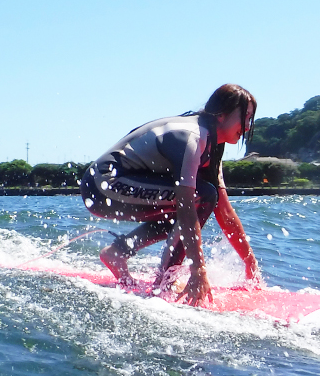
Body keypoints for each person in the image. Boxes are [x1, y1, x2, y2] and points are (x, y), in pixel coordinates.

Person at [80, 84, 262, 306]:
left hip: (116, 185)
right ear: (221, 115)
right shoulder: (192, 137)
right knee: (201, 197)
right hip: (101, 186)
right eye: (246, 117)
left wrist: (250, 265)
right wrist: (198, 269)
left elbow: (224, 211)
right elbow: (187, 205)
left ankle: (118, 253)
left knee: (203, 199)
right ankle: (165, 283)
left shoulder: (213, 143)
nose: (247, 126)